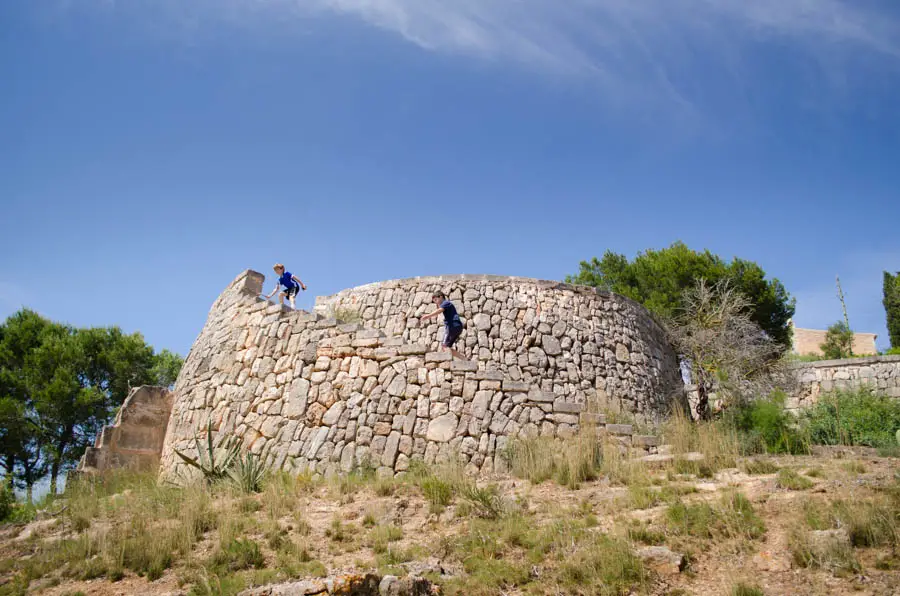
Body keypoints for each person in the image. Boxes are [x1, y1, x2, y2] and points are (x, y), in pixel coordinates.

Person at [421, 291, 466, 360]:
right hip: (457, 327)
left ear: (441, 297)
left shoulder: (446, 303)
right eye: (434, 301)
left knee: (444, 346)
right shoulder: (447, 304)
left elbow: (440, 310)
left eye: (436, 300)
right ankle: (464, 359)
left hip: (452, 326)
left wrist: (428, 316)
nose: (436, 302)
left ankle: (447, 362)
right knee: (447, 347)